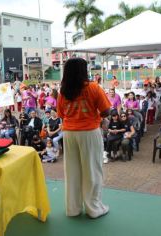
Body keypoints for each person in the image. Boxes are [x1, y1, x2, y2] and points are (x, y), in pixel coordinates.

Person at [57, 58, 111, 218]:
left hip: (69, 134)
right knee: (92, 170)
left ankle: (73, 209)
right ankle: (93, 209)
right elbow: (106, 111)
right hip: (89, 132)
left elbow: (61, 114)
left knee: (72, 171)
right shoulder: (93, 87)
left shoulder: (63, 91)